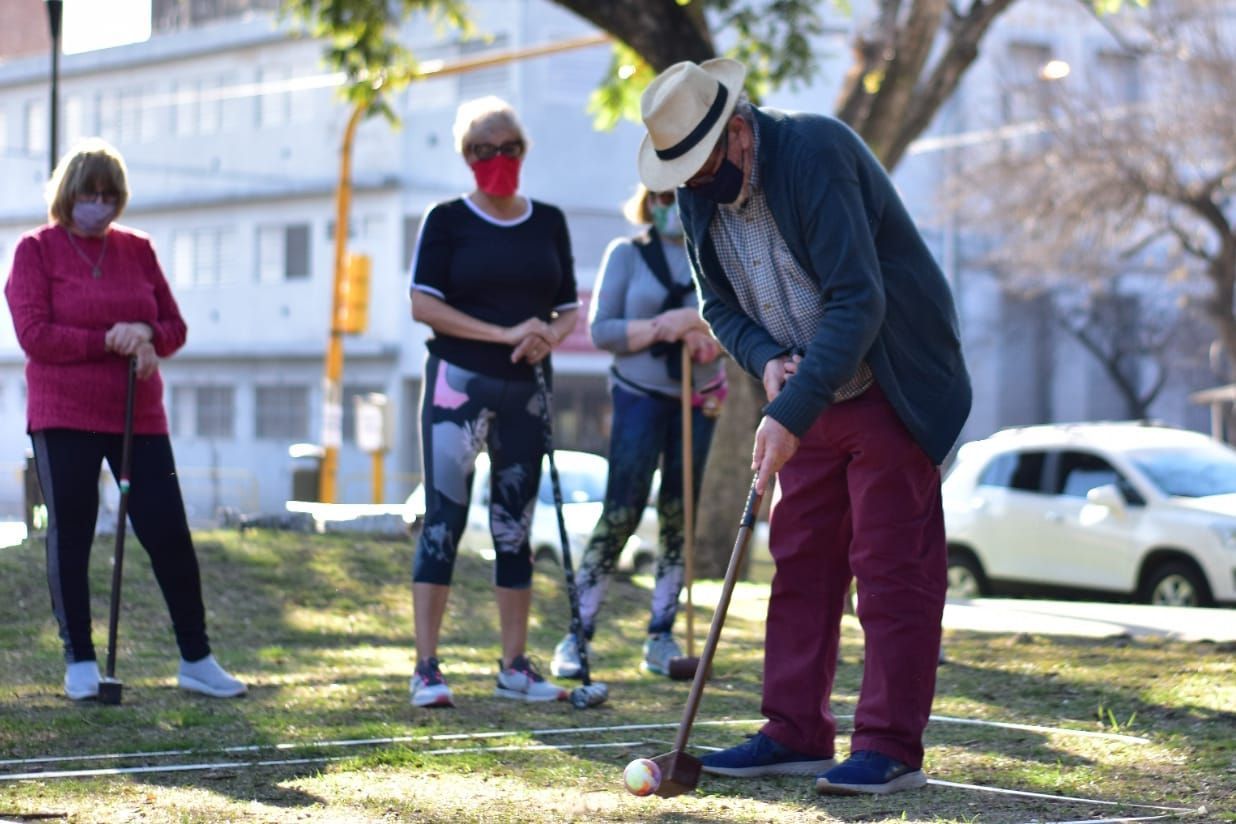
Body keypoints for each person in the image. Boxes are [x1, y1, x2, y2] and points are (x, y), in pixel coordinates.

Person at [636, 60, 971, 794]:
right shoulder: (697, 190)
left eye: (702, 168)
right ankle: (793, 732)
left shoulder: (814, 152)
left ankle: (889, 747)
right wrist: (765, 360)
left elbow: (858, 299)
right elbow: (717, 304)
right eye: (683, 176)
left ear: (738, 132)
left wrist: (787, 412)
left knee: (890, 569)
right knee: (801, 561)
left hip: (890, 380)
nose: (696, 186)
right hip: (808, 386)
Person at [4, 138, 246, 701]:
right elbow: (34, 335)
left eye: (110, 195)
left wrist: (148, 333)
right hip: (64, 414)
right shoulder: (35, 250)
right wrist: (111, 340)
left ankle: (196, 658)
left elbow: (174, 327)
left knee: (169, 532)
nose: (100, 204)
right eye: (90, 193)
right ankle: (80, 661)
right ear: (69, 193)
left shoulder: (138, 249)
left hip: (139, 414)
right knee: (73, 532)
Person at [408, 96, 579, 708]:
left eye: (508, 147)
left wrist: (546, 336)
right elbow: (423, 304)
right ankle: (427, 667)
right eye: (483, 150)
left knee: (515, 527)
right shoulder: (446, 220)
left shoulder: (548, 221)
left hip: (526, 393)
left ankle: (514, 666)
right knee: (443, 522)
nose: (497, 158)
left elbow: (568, 307)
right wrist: (503, 334)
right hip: (457, 386)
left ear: (524, 151)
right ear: (466, 156)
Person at [550, 185, 726, 680]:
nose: (672, 206)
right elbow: (603, 330)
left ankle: (662, 635)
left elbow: (735, 324)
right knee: (622, 510)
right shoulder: (625, 255)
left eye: (681, 195)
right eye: (663, 196)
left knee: (679, 514)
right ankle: (577, 633)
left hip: (697, 399)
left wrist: (705, 334)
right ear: (649, 201)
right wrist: (665, 326)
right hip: (639, 397)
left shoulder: (714, 254)